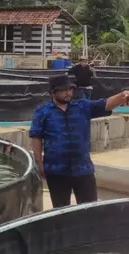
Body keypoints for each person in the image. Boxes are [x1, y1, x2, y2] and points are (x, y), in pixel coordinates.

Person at [30, 75, 128, 208]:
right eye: (64, 90)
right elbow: (36, 137)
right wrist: (39, 163)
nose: (68, 93)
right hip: (56, 170)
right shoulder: (42, 112)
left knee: (90, 209)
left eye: (70, 89)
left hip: (83, 169)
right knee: (61, 210)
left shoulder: (82, 106)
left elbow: (105, 104)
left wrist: (122, 96)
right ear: (53, 91)